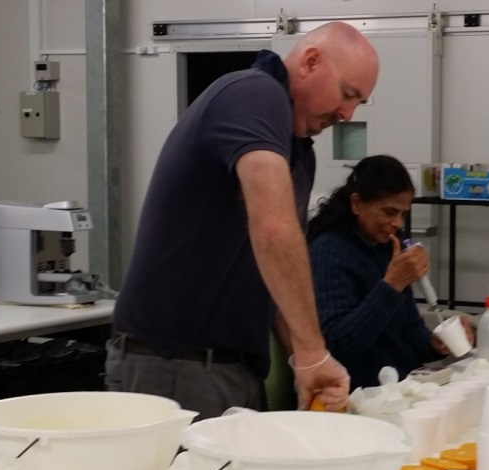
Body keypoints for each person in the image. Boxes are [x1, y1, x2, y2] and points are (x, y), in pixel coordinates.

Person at [107, 22, 379, 419]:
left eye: (358, 104)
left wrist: (305, 362)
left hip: (230, 370)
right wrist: (312, 350)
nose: (346, 112)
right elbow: (273, 227)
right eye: (347, 94)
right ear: (310, 62)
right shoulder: (254, 94)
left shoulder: (300, 152)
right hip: (175, 367)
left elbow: (279, 268)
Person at [307, 155, 474, 390]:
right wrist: (392, 285)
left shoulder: (388, 247)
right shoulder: (328, 252)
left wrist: (433, 343)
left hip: (402, 383)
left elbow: (407, 326)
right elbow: (338, 347)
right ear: (357, 204)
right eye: (389, 212)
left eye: (403, 214)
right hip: (359, 392)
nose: (397, 223)